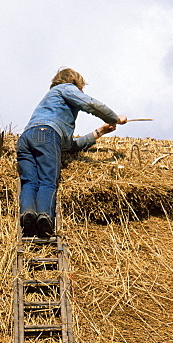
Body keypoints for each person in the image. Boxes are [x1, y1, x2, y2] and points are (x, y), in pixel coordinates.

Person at [17, 68, 126, 238]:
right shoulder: (65, 88)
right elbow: (90, 104)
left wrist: (99, 132)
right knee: (48, 181)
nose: (81, 91)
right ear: (74, 82)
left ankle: (28, 214)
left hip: (27, 138)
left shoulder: (53, 109)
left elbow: (70, 146)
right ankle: (44, 217)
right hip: (47, 133)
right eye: (81, 87)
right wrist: (114, 118)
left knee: (30, 181)